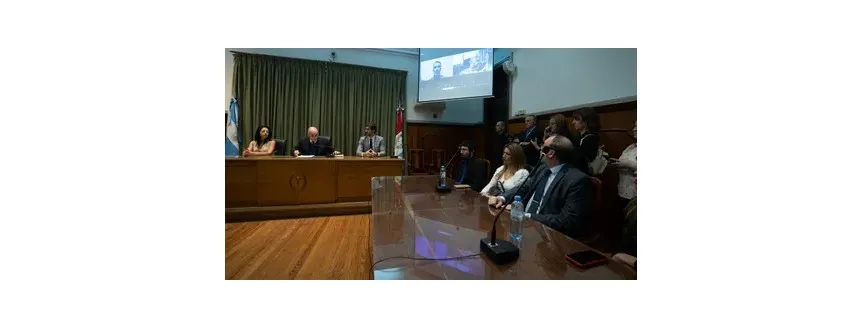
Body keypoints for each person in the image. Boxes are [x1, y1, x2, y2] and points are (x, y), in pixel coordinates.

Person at [491, 135, 594, 239]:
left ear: (550, 153)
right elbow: (523, 188)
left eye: (543, 147)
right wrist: (502, 198)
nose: (540, 149)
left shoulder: (577, 180)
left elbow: (568, 220)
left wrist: (527, 216)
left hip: (548, 236)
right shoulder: (543, 169)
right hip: (522, 227)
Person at [610, 120, 637, 214]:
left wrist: (629, 164)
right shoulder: (630, 147)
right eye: (634, 126)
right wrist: (617, 163)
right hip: (622, 193)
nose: (634, 129)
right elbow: (623, 161)